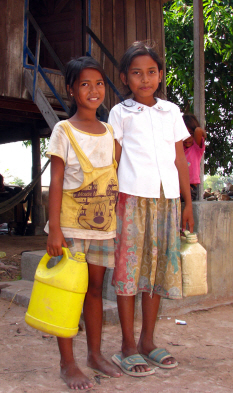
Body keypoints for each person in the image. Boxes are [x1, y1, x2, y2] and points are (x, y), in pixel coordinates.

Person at [108, 41, 194, 377]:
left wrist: (187, 202)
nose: (145, 78)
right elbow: (114, 160)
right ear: (124, 78)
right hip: (131, 198)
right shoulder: (120, 113)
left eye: (151, 72)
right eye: (136, 73)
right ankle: (127, 345)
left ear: (160, 76)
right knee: (130, 273)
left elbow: (179, 160)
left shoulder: (171, 111)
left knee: (156, 274)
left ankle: (147, 341)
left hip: (167, 200)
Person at [45, 56, 122, 390]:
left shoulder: (109, 131)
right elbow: (57, 181)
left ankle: (94, 354)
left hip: (103, 230)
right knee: (68, 293)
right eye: (85, 84)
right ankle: (68, 362)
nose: (94, 90)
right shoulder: (62, 130)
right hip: (70, 230)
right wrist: (54, 230)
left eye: (100, 83)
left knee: (94, 290)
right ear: (72, 90)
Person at [182, 114, 206, 201]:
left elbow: (198, 131)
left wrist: (203, 133)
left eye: (191, 134)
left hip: (190, 188)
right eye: (184, 134)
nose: (187, 138)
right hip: (178, 186)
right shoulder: (179, 149)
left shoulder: (196, 149)